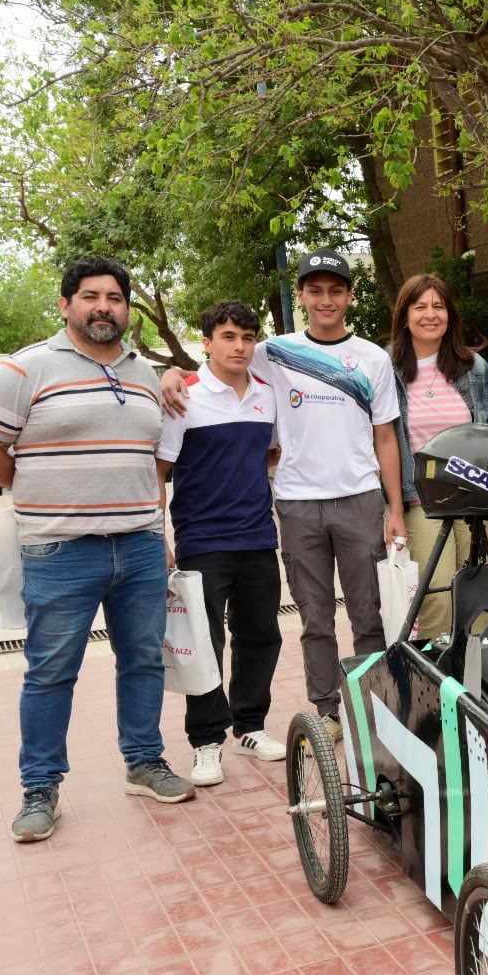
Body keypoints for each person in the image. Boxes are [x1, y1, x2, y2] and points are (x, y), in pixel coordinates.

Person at [0, 254, 195, 842]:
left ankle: (144, 762)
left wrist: (157, 534)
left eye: (115, 298)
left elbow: (151, 461)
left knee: (142, 661)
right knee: (49, 673)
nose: (104, 308)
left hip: (139, 547)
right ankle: (40, 789)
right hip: (60, 552)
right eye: (91, 297)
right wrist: (40, 490)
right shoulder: (24, 370)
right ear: (66, 305)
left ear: (126, 309)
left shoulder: (145, 374)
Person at [160, 248, 407, 745]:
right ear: (300, 296)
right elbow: (213, 372)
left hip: (361, 498)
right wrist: (171, 376)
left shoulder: (374, 358)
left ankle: (372, 704)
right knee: (315, 619)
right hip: (295, 505)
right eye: (314, 290)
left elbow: (386, 437)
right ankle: (328, 708)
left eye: (336, 290)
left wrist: (396, 507)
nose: (326, 300)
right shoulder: (273, 352)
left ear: (349, 296)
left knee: (368, 614)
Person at [157, 299, 286, 789]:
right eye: (228, 337)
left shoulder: (267, 394)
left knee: (260, 635)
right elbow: (160, 471)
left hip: (257, 536)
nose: (239, 346)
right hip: (202, 540)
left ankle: (250, 726)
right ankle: (206, 741)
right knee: (205, 643)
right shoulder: (183, 395)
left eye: (247, 337)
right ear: (206, 342)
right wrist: (160, 536)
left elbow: (269, 454)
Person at [389, 271, 488, 639]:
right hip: (422, 500)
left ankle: (479, 685)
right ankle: (436, 684)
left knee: (478, 599)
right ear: (404, 315)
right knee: (437, 598)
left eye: (439, 306)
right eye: (420, 306)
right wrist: (395, 508)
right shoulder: (388, 370)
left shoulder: (474, 368)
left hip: (473, 499)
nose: (430, 314)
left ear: (450, 315)